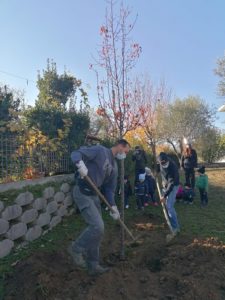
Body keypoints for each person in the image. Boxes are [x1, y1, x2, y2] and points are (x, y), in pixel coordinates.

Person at [69, 139, 130, 276]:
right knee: (97, 226)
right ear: (120, 146)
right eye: (126, 151)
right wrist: (80, 163)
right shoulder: (100, 150)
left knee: (98, 232)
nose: (125, 155)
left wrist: (113, 206)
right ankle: (75, 248)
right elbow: (76, 153)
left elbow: (109, 190)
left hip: (95, 196)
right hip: (82, 192)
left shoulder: (114, 167)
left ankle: (93, 264)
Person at [157, 152, 180, 242]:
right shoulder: (160, 161)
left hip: (173, 186)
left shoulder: (172, 167)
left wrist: (164, 195)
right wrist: (155, 172)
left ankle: (175, 228)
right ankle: (173, 219)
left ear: (167, 160)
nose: (164, 164)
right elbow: (157, 166)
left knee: (169, 206)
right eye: (162, 163)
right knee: (168, 206)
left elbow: (171, 183)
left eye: (165, 162)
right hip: (165, 184)